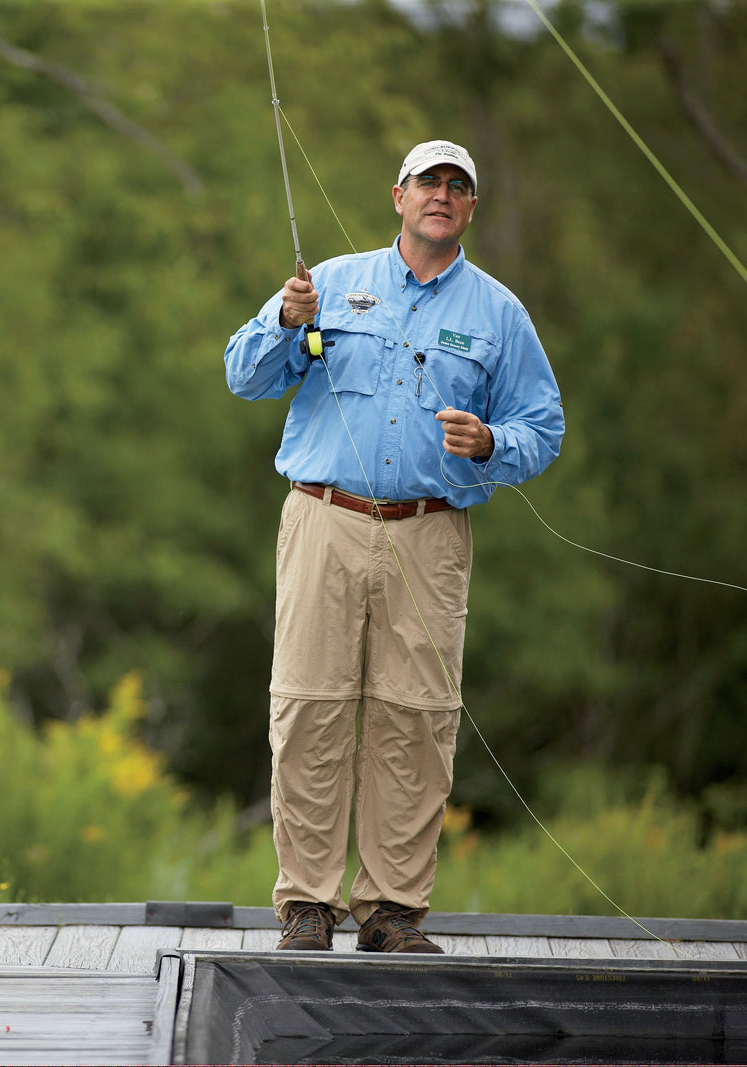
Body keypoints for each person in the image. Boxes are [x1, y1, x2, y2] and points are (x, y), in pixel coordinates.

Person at [223, 140, 563, 954]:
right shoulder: (330, 283)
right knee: (309, 705)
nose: (441, 195)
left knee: (417, 716)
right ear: (398, 196)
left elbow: (542, 428)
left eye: (458, 186)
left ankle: (392, 911)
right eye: (428, 183)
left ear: (472, 207)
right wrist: (283, 320)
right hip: (323, 517)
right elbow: (244, 375)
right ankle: (307, 903)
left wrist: (489, 443)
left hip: (431, 530)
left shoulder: (500, 314)